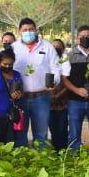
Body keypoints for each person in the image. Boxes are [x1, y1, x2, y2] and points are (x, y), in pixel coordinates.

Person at [10, 18, 60, 148]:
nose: (28, 32)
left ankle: (41, 161)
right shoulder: (14, 48)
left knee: (41, 134)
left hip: (41, 97)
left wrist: (54, 81)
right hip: (20, 98)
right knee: (20, 133)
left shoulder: (47, 47)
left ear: (36, 30)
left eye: (31, 29)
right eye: (25, 30)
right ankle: (21, 162)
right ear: (19, 31)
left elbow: (56, 67)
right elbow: (7, 70)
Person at [48, 39, 70, 150]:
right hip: (49, 102)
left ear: (63, 48)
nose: (56, 48)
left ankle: (64, 150)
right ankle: (56, 150)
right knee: (52, 128)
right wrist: (51, 96)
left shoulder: (65, 61)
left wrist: (58, 95)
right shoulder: (47, 61)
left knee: (62, 127)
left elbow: (69, 82)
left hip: (62, 102)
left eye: (59, 46)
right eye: (54, 46)